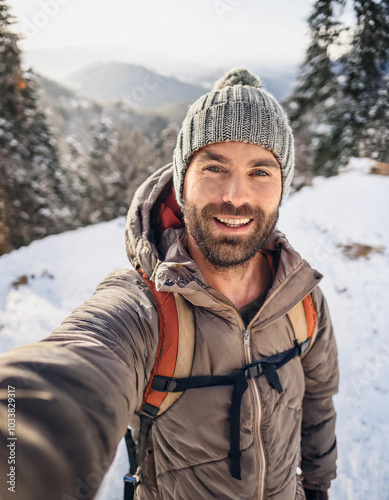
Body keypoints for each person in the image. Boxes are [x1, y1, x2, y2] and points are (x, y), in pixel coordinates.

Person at [0, 68, 338, 500]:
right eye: (214, 167)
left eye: (261, 171)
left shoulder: (302, 298)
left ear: (282, 185)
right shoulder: (145, 307)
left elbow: (318, 406)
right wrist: (18, 460)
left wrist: (317, 486)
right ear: (182, 183)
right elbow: (72, 369)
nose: (236, 195)